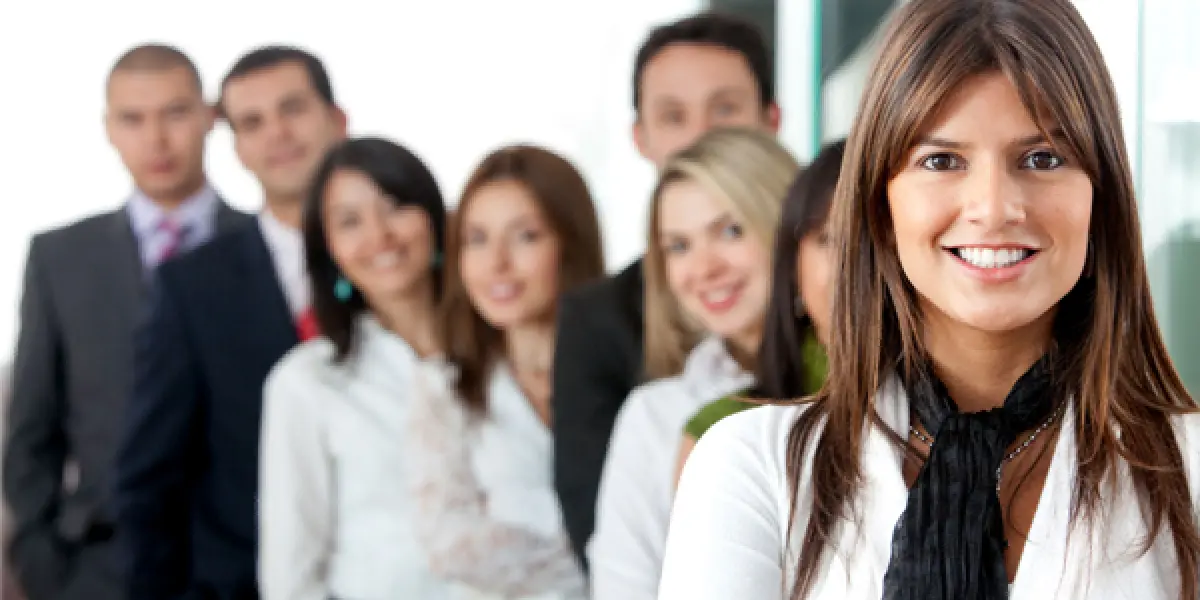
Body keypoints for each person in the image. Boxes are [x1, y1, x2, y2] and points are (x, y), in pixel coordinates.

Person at [659, 0, 1200, 599]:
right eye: (942, 160)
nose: (993, 208)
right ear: (881, 207)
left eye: (1042, 158)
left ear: (1101, 201)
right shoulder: (754, 467)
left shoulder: (1189, 473)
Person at [2, 44, 249, 600]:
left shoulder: (263, 245)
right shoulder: (60, 258)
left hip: (240, 566)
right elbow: (30, 434)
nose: (156, 140)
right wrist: (46, 571)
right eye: (133, 119)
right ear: (109, 129)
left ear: (210, 117)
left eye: (175, 113)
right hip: (99, 569)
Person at [116, 46, 347, 600]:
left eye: (293, 109)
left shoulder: (400, 258)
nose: (277, 134)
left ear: (337, 120)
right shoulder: (192, 288)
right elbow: (150, 481)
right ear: (237, 147)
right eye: (252, 123)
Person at [552, 11, 781, 563]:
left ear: (770, 120)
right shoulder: (643, 390)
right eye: (674, 116)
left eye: (724, 109)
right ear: (641, 137)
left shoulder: (871, 328)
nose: (701, 136)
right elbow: (613, 550)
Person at [588, 128, 795, 600]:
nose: (703, 269)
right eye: (679, 246)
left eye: (730, 231)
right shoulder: (654, 416)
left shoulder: (874, 382)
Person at [404, 145, 604, 599]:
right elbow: (448, 544)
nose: (496, 263)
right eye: (476, 239)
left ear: (570, 243)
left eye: (525, 237)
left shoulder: (629, 372)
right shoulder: (443, 385)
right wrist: (593, 553)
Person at [257, 138, 448, 600]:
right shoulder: (306, 382)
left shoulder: (501, 358)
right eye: (350, 222)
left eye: (395, 207)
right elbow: (290, 574)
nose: (379, 235)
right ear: (329, 250)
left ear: (433, 217)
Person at [674, 138, 845, 485]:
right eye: (830, 238)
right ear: (792, 264)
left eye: (885, 235)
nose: (858, 261)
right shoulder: (728, 435)